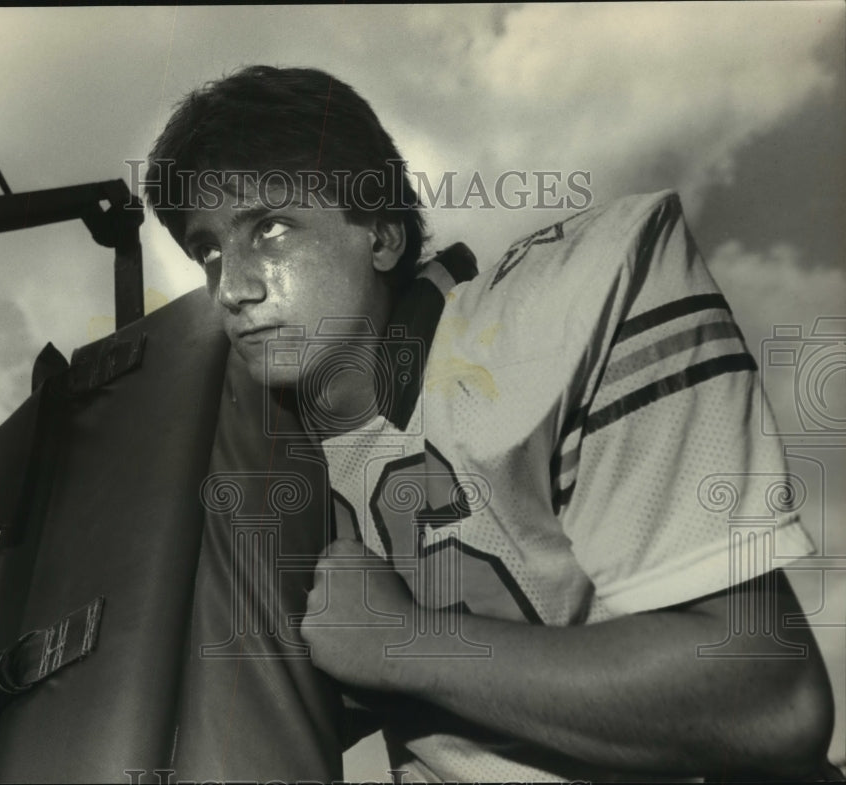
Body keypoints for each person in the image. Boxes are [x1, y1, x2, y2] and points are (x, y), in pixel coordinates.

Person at [145, 65, 836, 781]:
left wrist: (403, 643)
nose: (233, 288)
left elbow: (769, 695)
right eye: (210, 252)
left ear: (379, 233)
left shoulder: (562, 305)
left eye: (272, 227)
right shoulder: (252, 457)